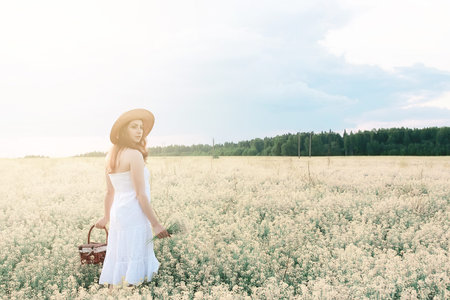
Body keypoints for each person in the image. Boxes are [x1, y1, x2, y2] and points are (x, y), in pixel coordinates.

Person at [95, 108, 170, 289]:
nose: (139, 131)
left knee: (121, 255)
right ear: (123, 130)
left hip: (119, 214)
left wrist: (106, 217)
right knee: (134, 258)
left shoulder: (110, 156)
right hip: (135, 213)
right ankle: (132, 291)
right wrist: (156, 224)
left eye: (141, 128)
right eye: (134, 127)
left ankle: (117, 292)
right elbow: (140, 194)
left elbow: (109, 192)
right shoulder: (134, 155)